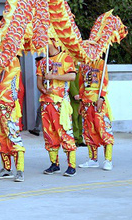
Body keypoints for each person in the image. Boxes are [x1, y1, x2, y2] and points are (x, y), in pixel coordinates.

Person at [36, 39, 77, 177]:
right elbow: (39, 82)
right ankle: (55, 164)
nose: (43, 44)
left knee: (65, 132)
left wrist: (53, 76)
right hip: (46, 103)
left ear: (54, 42)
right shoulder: (42, 62)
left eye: (45, 41)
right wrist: (43, 90)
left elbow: (72, 75)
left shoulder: (65, 57)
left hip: (60, 103)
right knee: (49, 134)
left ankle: (72, 165)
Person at [77, 58, 114, 171]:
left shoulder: (101, 63)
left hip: (98, 102)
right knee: (88, 131)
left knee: (103, 130)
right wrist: (81, 101)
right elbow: (81, 84)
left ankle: (108, 160)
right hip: (86, 103)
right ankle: (93, 159)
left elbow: (105, 81)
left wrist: (102, 97)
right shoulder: (82, 64)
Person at [69, 65, 86, 147]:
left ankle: (80, 138)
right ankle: (75, 138)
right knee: (74, 118)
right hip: (74, 97)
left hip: (83, 96)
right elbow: (70, 82)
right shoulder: (70, 65)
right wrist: (75, 93)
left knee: (80, 118)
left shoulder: (82, 66)